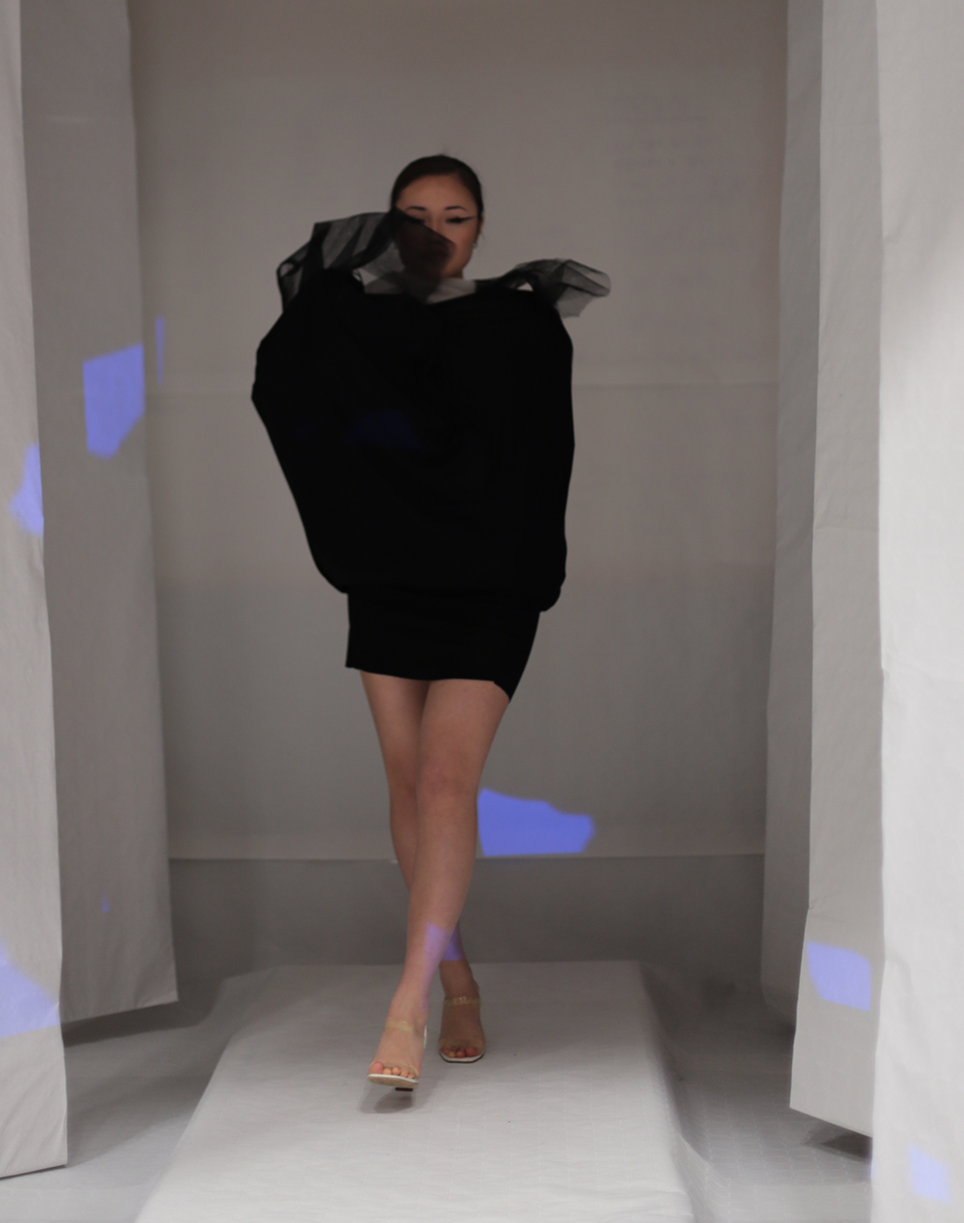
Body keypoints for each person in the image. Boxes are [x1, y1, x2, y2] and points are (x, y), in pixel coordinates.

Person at [252, 155, 609, 1090]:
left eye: (455, 216)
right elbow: (290, 391)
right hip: (391, 572)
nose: (434, 232)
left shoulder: (521, 324)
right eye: (413, 215)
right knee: (410, 782)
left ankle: (405, 1004)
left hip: (490, 578)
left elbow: (541, 458)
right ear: (386, 225)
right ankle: (457, 981)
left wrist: (523, 565)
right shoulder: (357, 323)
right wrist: (325, 298)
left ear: (481, 229)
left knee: (448, 781)